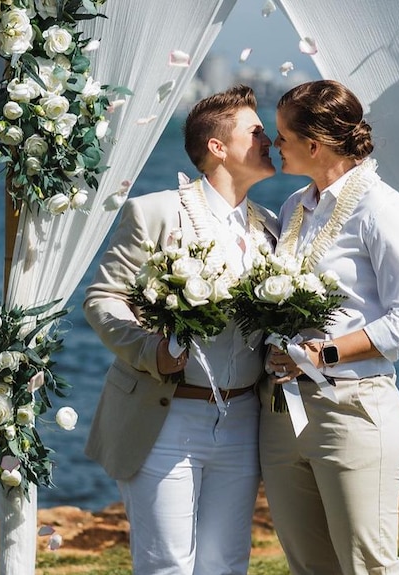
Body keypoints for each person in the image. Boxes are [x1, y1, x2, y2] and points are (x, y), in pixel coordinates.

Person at [83, 85, 279, 575]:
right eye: (256, 132)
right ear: (218, 147)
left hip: (242, 419)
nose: (269, 140)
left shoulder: (271, 227)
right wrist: (152, 350)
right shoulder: (155, 212)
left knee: (227, 564)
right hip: (164, 418)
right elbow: (103, 299)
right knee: (167, 564)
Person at [261, 79, 399, 575]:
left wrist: (325, 354)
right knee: (309, 566)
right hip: (282, 413)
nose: (276, 147)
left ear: (314, 145)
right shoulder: (295, 206)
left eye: (282, 138)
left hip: (352, 411)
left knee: (368, 566)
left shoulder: (384, 210)